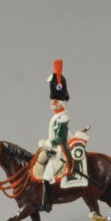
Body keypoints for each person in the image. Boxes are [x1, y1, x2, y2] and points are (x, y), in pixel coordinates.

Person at [31, 60, 74, 212]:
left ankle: (48, 204)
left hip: (60, 151)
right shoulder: (57, 116)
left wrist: (46, 143)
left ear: (62, 102)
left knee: (47, 175)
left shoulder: (63, 117)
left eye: (55, 100)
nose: (52, 103)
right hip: (54, 149)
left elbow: (59, 138)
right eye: (52, 100)